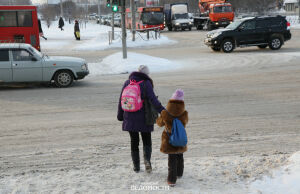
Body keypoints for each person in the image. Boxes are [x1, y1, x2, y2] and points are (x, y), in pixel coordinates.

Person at [117, 65, 165, 173]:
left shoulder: (127, 82)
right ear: (146, 74)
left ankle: (136, 166)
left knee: (134, 141)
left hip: (129, 116)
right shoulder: (146, 83)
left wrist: (120, 115)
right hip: (145, 117)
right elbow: (153, 100)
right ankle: (147, 161)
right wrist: (163, 111)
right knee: (146, 140)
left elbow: (121, 100)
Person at [156, 89, 188, 187]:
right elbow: (185, 123)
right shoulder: (184, 113)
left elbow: (159, 123)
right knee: (180, 156)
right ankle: (179, 173)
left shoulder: (165, 113)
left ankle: (171, 180)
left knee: (172, 159)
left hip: (169, 140)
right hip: (180, 138)